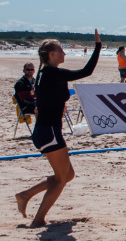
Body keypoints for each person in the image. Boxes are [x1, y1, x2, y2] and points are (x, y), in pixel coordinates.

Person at [14, 31, 102, 226]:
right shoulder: (52, 74)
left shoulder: (44, 74)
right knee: (62, 179)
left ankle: (26, 194)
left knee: (68, 175)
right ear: (52, 54)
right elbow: (86, 71)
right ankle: (38, 219)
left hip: (45, 131)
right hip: (49, 132)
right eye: (61, 50)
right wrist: (97, 47)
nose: (64, 53)